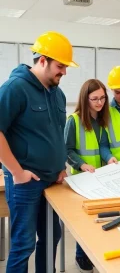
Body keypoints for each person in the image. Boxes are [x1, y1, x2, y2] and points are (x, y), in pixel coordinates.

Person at [0, 31, 78, 273]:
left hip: (52, 180)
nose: (64, 72)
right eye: (60, 66)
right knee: (23, 245)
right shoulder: (15, 88)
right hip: (26, 182)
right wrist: (17, 172)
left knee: (51, 238)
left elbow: (54, 135)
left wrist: (60, 167)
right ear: (42, 60)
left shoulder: (58, 93)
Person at [64, 79, 112, 272]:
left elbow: (102, 147)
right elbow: (67, 150)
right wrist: (82, 164)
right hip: (81, 179)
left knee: (98, 220)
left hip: (98, 178)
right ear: (85, 99)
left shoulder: (102, 120)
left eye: (102, 98)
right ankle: (81, 258)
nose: (99, 103)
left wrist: (108, 159)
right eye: (94, 99)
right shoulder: (73, 120)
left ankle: (93, 255)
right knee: (84, 223)